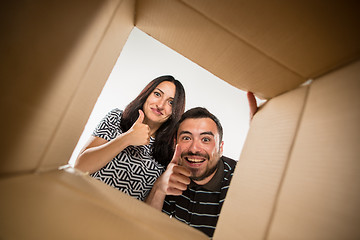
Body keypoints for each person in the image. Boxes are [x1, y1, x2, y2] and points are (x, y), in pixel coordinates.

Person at [145, 99, 258, 238]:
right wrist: (159, 188)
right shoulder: (171, 173)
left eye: (205, 139)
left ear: (220, 148)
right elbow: (145, 228)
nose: (194, 149)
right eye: (186, 138)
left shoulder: (240, 178)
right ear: (175, 144)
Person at [74, 75, 186, 201]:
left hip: (122, 218)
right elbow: (80, 166)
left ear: (175, 111)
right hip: (83, 201)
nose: (160, 105)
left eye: (171, 102)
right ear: (147, 94)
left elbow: (151, 202)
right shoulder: (116, 118)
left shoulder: (169, 151)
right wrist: (127, 138)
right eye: (157, 94)